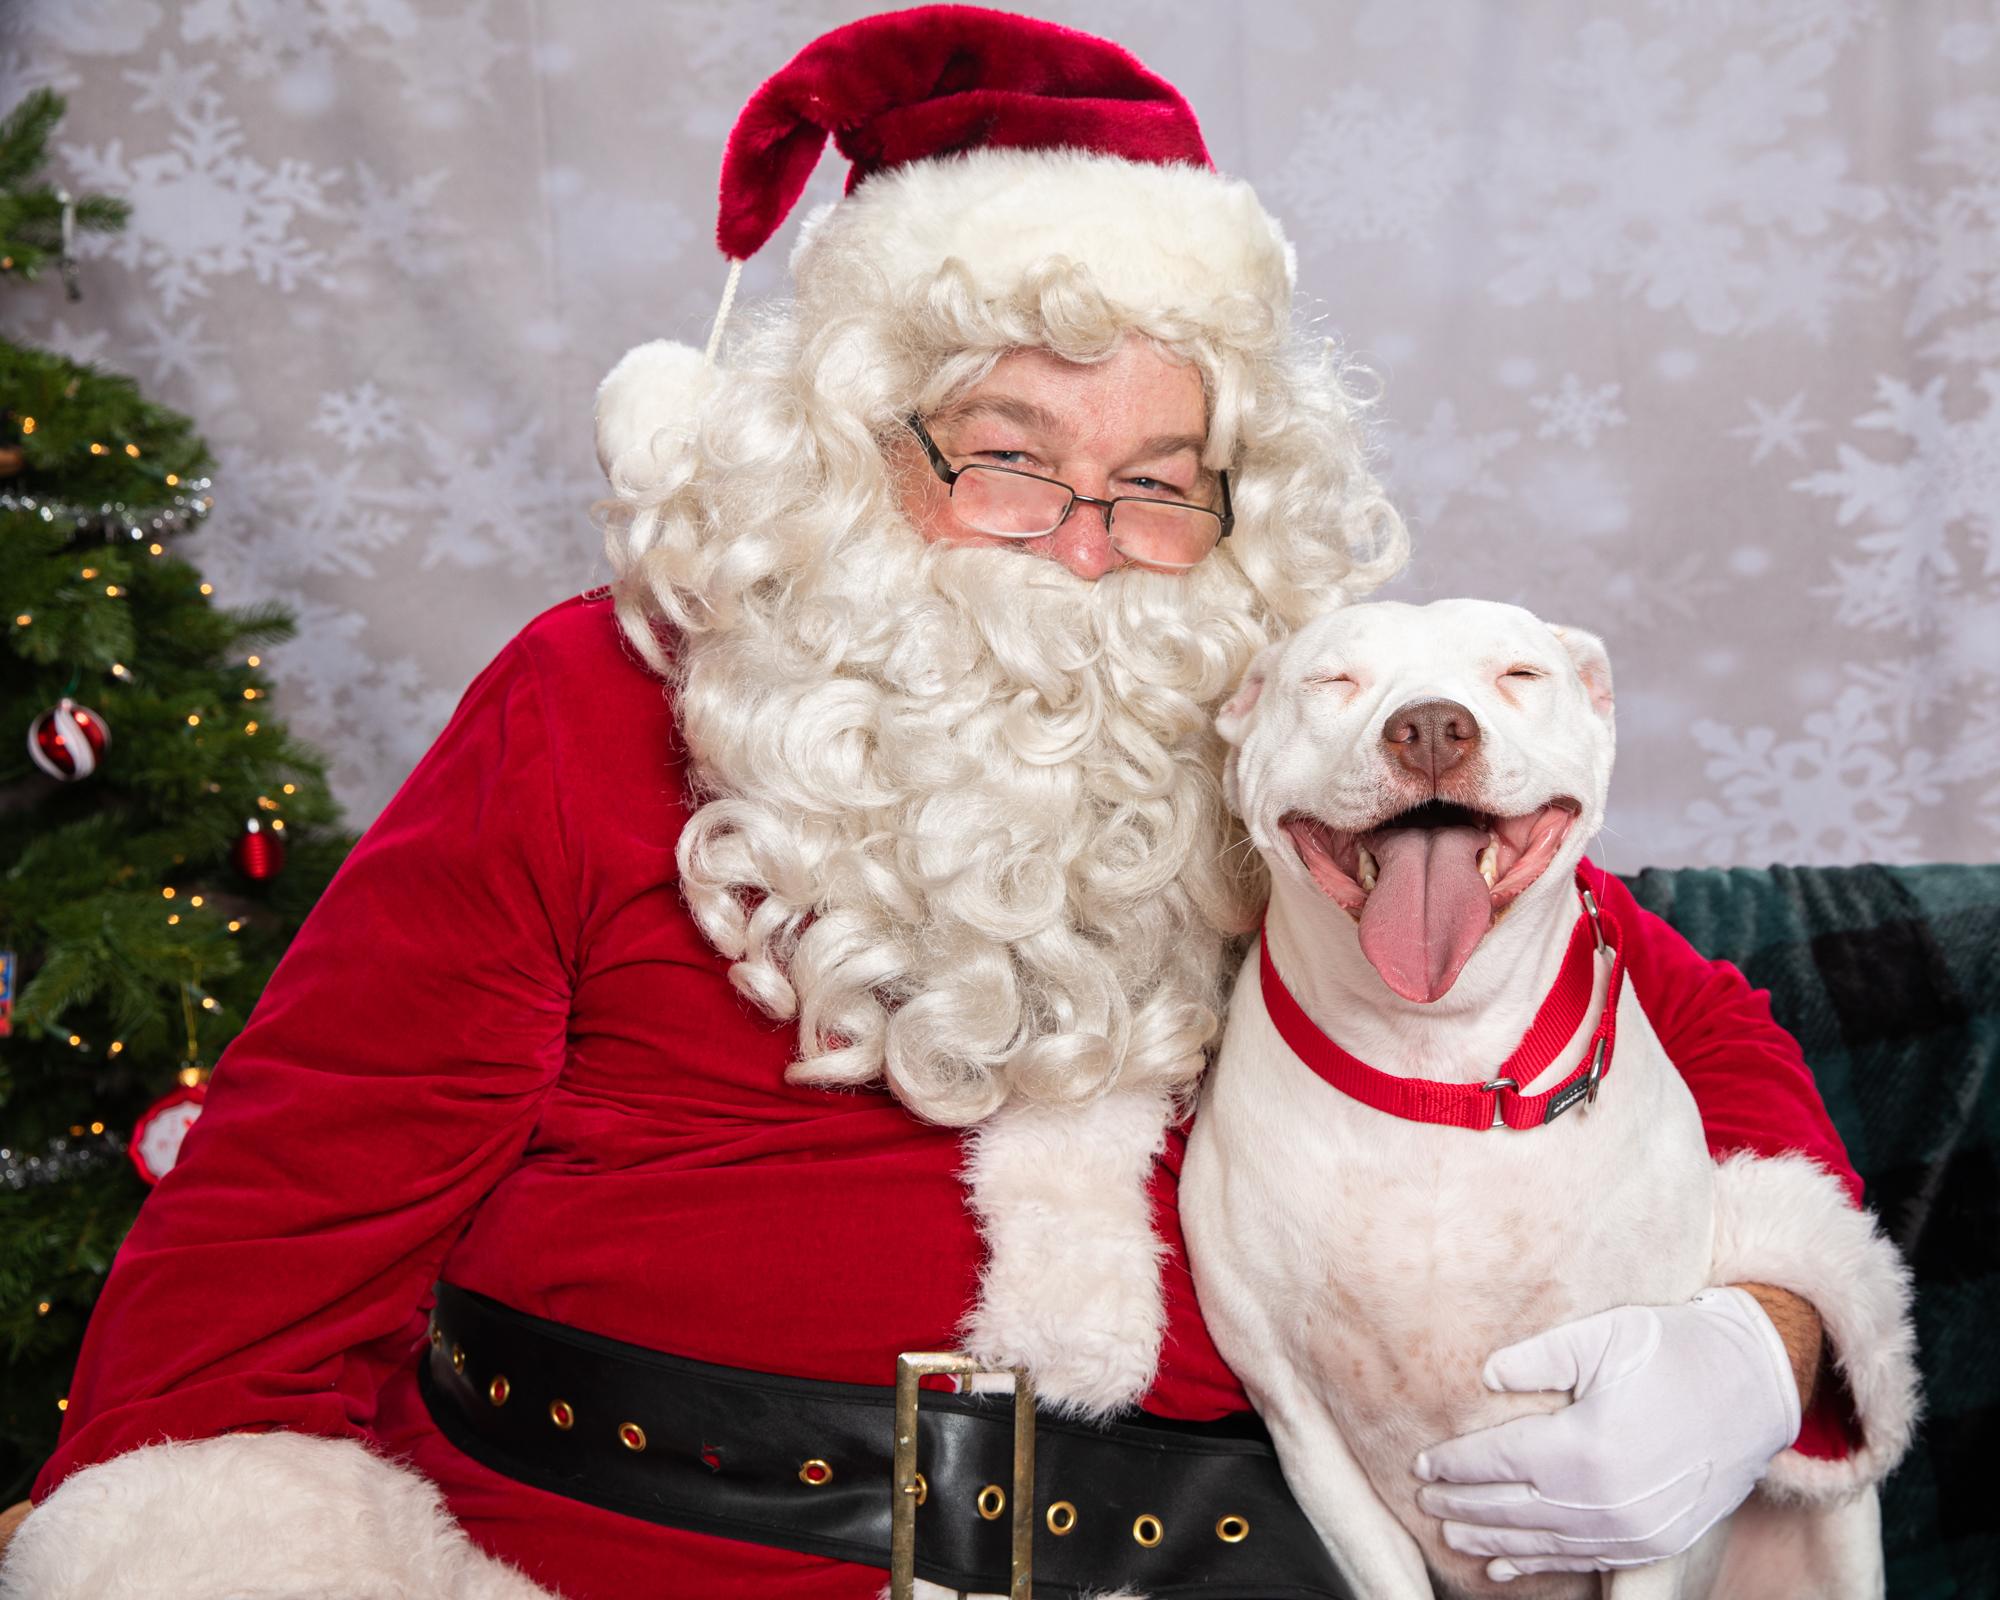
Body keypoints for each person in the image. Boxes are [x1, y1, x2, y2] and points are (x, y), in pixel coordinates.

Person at [0, 9, 1915, 1599]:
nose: (1083, 546)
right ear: (854, 446)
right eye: (1008, 457)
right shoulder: (599, 698)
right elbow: (279, 1236)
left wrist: (1758, 1346)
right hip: (641, 1552)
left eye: (1157, 483)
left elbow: (1691, 1024)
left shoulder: (1293, 751)